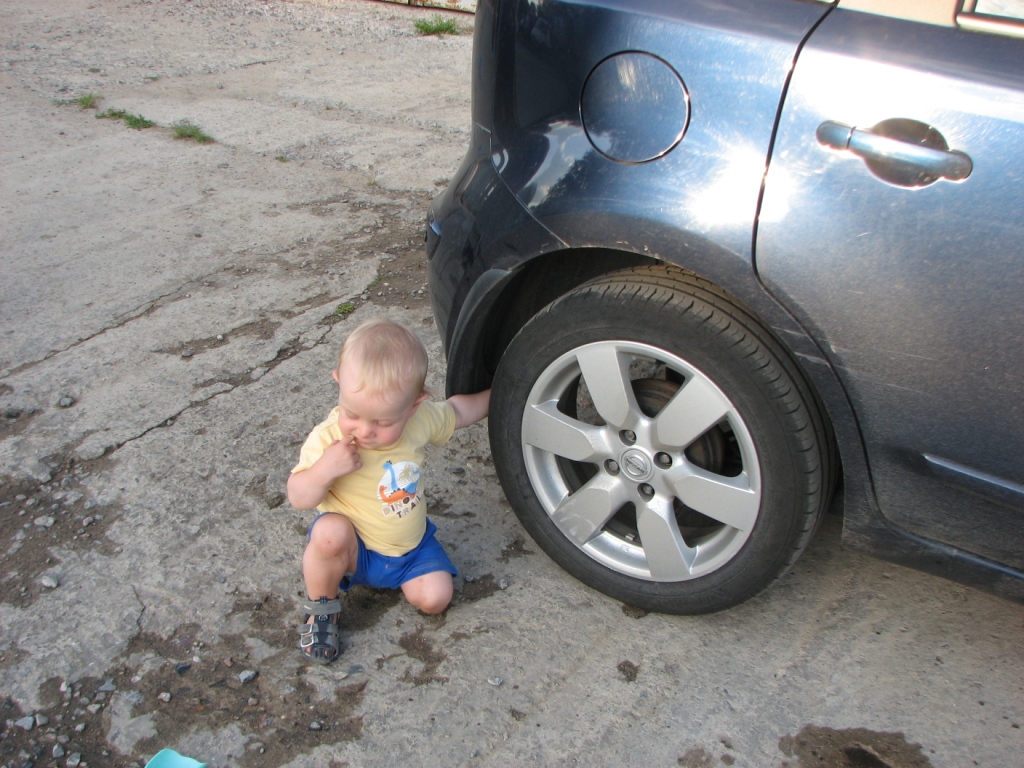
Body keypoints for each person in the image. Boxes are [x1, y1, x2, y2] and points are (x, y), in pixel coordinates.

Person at [287, 317, 491, 664]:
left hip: (410, 549)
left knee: (436, 599)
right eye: (352, 414)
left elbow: (458, 411)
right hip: (356, 551)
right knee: (328, 533)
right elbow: (298, 496)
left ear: (414, 406)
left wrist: (503, 391)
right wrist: (325, 470)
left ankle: (405, 576)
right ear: (338, 383)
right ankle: (321, 608)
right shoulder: (328, 438)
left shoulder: (420, 420)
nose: (364, 430)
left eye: (383, 422)